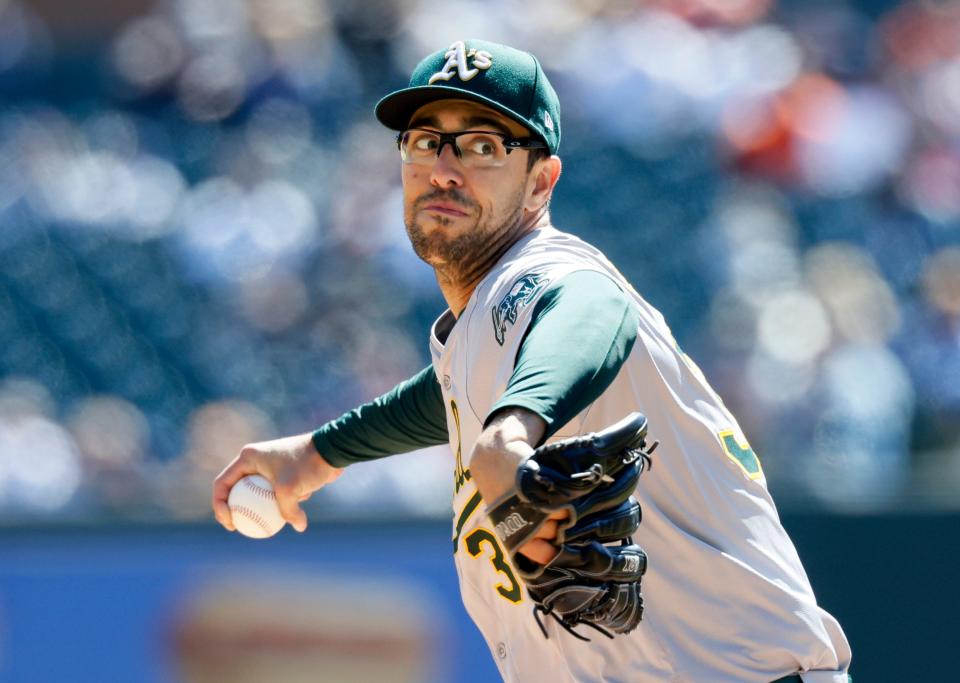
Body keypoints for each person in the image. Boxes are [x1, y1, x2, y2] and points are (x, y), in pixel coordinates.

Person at [212, 39, 852, 683]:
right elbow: (451, 391)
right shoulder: (485, 332)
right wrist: (319, 453)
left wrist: (512, 432)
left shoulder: (552, 275)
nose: (444, 167)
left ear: (541, 180)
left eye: (483, 145)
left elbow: (591, 306)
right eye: (424, 140)